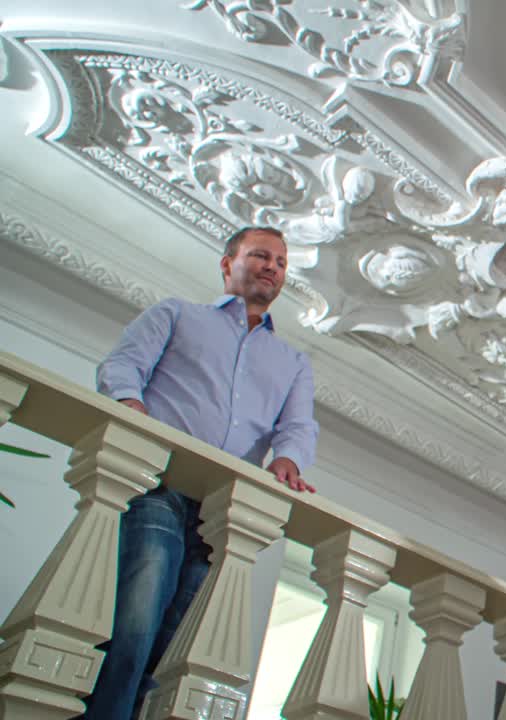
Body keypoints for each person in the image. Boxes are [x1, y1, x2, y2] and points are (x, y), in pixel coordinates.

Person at [82, 227, 320, 719]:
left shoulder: (293, 363)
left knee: (173, 642)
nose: (273, 266)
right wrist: (131, 407)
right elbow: (122, 366)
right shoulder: (176, 314)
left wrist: (287, 459)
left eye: (280, 261)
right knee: (136, 621)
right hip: (159, 484)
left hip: (220, 513)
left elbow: (298, 426)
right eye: (259, 255)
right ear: (227, 263)